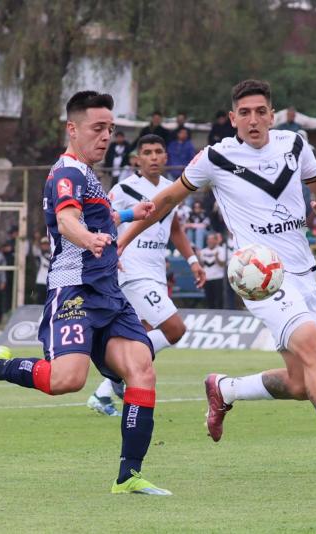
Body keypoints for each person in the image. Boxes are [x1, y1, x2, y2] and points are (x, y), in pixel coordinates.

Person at [118, 79, 316, 478]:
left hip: (302, 272)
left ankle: (225, 389)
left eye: (260, 111)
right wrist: (123, 241)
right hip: (260, 276)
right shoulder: (214, 157)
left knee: (301, 383)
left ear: (272, 115)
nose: (253, 120)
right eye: (244, 113)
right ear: (232, 118)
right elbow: (164, 202)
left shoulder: (295, 145)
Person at [0, 90, 171, 495]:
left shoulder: (87, 174)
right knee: (66, 381)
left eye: (110, 128)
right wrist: (88, 239)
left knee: (142, 368)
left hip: (108, 293)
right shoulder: (66, 173)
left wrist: (129, 214)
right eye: (97, 128)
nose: (106, 136)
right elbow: (68, 219)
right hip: (73, 290)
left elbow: (99, 212)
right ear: (72, 129)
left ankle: (129, 475)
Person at [86, 133, 206, 416]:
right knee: (175, 330)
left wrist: (192, 261)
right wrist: (109, 255)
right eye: (147, 153)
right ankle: (116, 372)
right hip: (131, 271)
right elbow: (104, 222)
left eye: (158, 152)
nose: (153, 157)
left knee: (143, 336)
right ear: (137, 159)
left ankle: (103, 393)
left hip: (155, 272)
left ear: (166, 157)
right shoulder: (125, 188)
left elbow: (174, 228)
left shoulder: (170, 189)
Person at [200, 232, 226, 309]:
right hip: (207, 278)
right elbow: (201, 265)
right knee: (209, 300)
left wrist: (217, 257)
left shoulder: (221, 250)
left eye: (211, 240)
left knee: (219, 300)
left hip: (218, 278)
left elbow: (222, 264)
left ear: (216, 241)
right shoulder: (203, 251)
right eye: (208, 240)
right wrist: (198, 257)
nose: (209, 242)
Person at [1, 225, 18, 313]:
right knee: (7, 291)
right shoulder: (8, 242)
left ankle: (15, 307)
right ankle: (6, 309)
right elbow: (4, 249)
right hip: (8, 270)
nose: (15, 235)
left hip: (18, 270)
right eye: (13, 233)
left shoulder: (20, 243)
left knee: (16, 290)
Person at [33, 236, 51, 305]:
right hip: (40, 281)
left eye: (47, 244)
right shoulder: (39, 254)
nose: (45, 246)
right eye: (43, 244)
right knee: (39, 301)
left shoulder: (53, 254)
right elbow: (34, 249)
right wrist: (36, 237)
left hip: (50, 282)